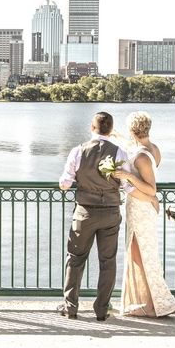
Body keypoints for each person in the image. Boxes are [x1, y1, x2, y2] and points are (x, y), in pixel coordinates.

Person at [57, 111, 129, 321]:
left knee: (75, 259)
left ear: (92, 128)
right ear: (111, 129)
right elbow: (126, 183)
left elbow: (64, 184)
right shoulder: (120, 152)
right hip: (110, 212)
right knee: (108, 262)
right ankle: (101, 309)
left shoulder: (78, 151)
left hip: (85, 213)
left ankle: (70, 307)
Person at [110, 111, 175, 318]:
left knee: (142, 254)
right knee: (140, 253)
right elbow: (132, 145)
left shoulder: (141, 157)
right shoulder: (153, 149)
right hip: (141, 206)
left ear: (133, 130)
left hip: (141, 206)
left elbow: (151, 189)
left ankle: (154, 303)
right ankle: (144, 301)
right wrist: (115, 135)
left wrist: (127, 176)